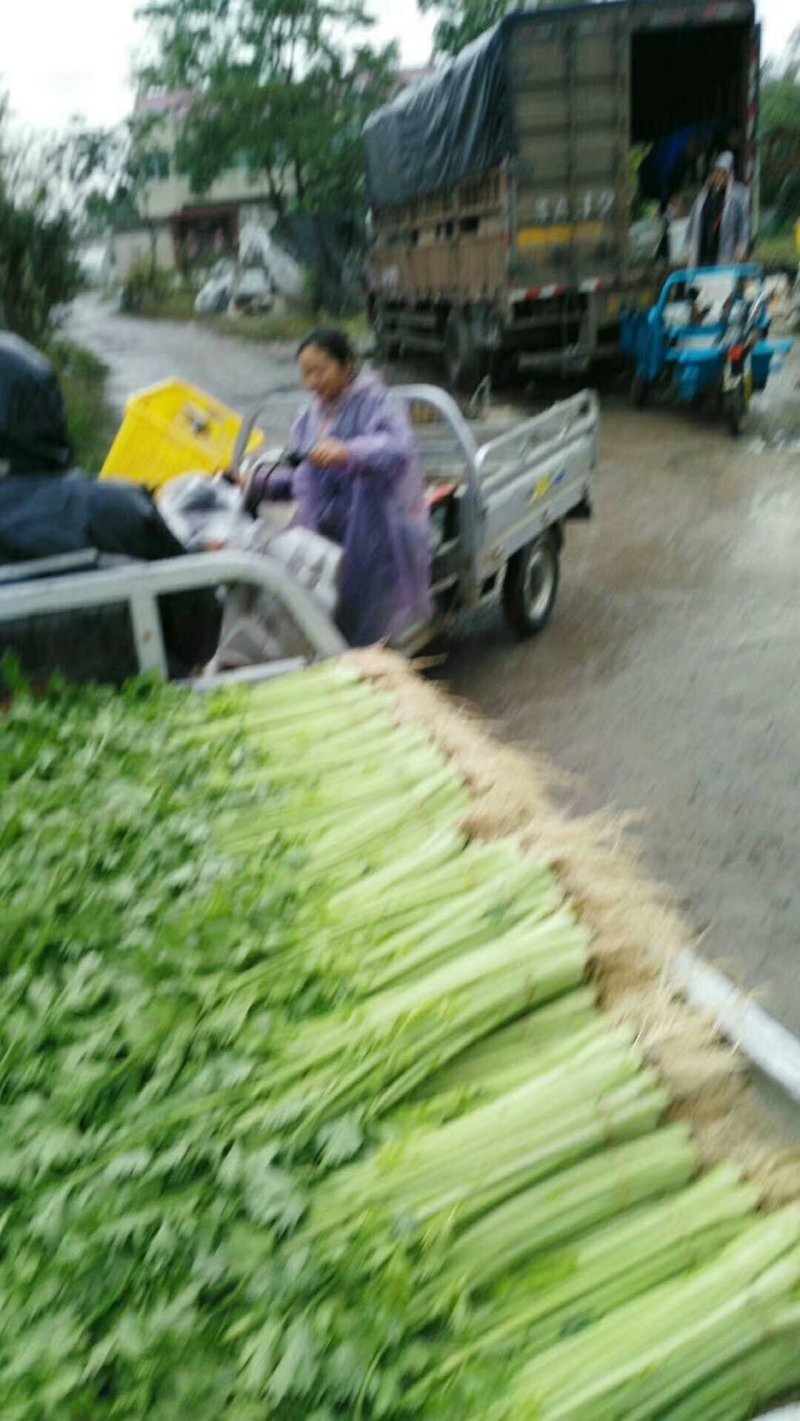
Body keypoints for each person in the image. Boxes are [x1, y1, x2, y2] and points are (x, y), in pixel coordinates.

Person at [254, 326, 431, 647]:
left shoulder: (377, 402)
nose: (312, 383)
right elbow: (304, 474)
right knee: (328, 621)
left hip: (375, 533)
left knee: (374, 624)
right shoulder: (309, 418)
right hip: (326, 535)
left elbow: (398, 449)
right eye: (306, 374)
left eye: (320, 371)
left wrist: (349, 451)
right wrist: (259, 482)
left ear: (347, 365)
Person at [685, 152, 749, 268]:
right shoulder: (702, 199)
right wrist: (688, 247)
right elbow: (692, 224)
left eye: (722, 173)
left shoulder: (736, 198)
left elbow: (743, 224)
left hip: (725, 252)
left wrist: (741, 248)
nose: (719, 177)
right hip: (702, 251)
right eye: (716, 172)